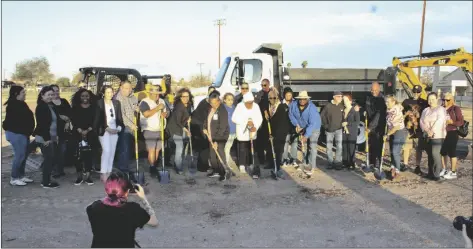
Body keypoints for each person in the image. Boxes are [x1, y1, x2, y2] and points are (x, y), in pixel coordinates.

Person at [86, 172, 158, 248]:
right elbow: (154, 222)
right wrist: (143, 198)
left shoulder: (94, 208)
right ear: (127, 193)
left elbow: (91, 205)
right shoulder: (133, 209)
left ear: (106, 191)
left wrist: (110, 195)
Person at [3, 85, 35, 186]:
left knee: (24, 155)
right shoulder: (13, 106)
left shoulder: (22, 104)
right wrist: (26, 131)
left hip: (23, 134)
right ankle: (14, 178)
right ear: (16, 94)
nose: (25, 94)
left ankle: (21, 176)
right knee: (19, 155)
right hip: (16, 134)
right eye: (23, 92)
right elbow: (14, 123)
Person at [33, 86, 63, 189]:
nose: (51, 96)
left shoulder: (50, 105)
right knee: (49, 159)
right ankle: (45, 182)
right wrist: (47, 139)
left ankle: (46, 178)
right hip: (45, 138)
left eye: (52, 94)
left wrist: (56, 136)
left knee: (52, 158)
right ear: (42, 95)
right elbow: (43, 124)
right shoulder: (42, 106)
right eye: (48, 95)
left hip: (52, 137)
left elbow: (55, 122)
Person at [95, 86, 124, 183]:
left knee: (112, 151)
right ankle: (103, 172)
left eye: (111, 92)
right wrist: (107, 128)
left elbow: (119, 118)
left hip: (115, 130)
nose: (110, 94)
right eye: (108, 92)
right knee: (106, 150)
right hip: (104, 130)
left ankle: (109, 171)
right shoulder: (99, 103)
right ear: (103, 93)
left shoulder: (116, 103)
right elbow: (97, 119)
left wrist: (118, 128)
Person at [288, 91, 322, 176]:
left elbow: (312, 123)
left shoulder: (312, 108)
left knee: (312, 147)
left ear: (307, 99)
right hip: (302, 127)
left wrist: (306, 135)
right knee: (304, 146)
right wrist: (296, 124)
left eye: (304, 99)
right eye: (300, 99)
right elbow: (291, 115)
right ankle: (304, 163)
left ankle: (311, 166)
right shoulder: (293, 105)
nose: (302, 100)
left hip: (314, 127)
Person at [139, 85, 170, 176]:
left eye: (158, 94)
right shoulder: (144, 102)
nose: (157, 96)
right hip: (149, 129)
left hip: (160, 129)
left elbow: (167, 112)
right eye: (155, 94)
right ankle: (152, 167)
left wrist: (166, 114)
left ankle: (154, 166)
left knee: (157, 150)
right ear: (150, 93)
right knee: (152, 150)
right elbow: (146, 114)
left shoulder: (162, 101)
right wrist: (157, 108)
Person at [232, 92, 263, 178]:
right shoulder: (239, 106)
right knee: (242, 149)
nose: (250, 104)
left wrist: (255, 125)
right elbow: (234, 118)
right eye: (248, 103)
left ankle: (253, 166)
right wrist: (246, 122)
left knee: (253, 149)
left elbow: (259, 118)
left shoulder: (256, 106)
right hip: (242, 131)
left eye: (251, 102)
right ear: (244, 102)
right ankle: (242, 164)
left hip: (252, 131)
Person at [70, 88, 98, 185]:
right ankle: (79, 176)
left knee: (88, 155)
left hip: (90, 134)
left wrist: (88, 130)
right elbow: (73, 120)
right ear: (79, 97)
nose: (85, 98)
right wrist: (80, 130)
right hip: (77, 133)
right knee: (77, 155)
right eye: (82, 96)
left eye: (86, 96)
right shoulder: (75, 108)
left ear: (90, 97)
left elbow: (95, 121)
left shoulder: (94, 108)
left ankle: (88, 176)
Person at [203, 91, 230, 181]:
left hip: (220, 137)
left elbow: (223, 127)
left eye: (215, 102)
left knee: (220, 154)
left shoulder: (222, 111)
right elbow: (207, 120)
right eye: (211, 103)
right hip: (211, 136)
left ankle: (224, 172)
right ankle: (216, 171)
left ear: (219, 101)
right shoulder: (210, 109)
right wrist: (204, 128)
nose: (213, 104)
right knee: (212, 155)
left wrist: (217, 141)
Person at [420, 92, 447, 181]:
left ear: (437, 99)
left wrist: (432, 131)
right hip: (427, 135)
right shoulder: (425, 110)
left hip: (438, 135)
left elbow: (440, 120)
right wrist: (427, 130)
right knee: (429, 155)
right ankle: (430, 173)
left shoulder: (441, 109)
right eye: (429, 99)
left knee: (435, 154)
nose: (431, 101)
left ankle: (437, 174)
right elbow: (422, 121)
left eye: (433, 99)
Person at [115, 81, 139, 182]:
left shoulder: (133, 97)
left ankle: (125, 167)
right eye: (125, 88)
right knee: (124, 148)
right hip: (124, 127)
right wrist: (131, 125)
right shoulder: (118, 98)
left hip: (133, 127)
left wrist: (137, 109)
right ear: (121, 88)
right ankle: (122, 170)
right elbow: (122, 115)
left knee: (128, 148)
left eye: (129, 88)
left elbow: (134, 107)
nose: (128, 90)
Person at [401, 85, 428, 174]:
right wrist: (406, 116)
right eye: (414, 92)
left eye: (418, 92)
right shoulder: (406, 101)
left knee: (418, 148)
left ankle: (417, 166)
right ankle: (405, 164)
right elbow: (401, 113)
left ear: (421, 92)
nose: (416, 93)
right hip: (408, 127)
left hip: (419, 128)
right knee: (406, 147)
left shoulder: (424, 102)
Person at [166, 88, 193, 175]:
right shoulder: (179, 107)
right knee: (180, 147)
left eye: (187, 96)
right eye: (184, 96)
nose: (186, 98)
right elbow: (178, 121)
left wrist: (188, 118)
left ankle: (174, 161)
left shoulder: (188, 105)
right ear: (180, 97)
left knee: (180, 145)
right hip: (175, 128)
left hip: (180, 128)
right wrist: (186, 130)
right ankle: (178, 167)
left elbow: (186, 117)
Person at [265, 88, 290, 177]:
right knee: (270, 148)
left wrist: (275, 135)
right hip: (272, 131)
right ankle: (271, 164)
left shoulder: (281, 107)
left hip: (280, 133)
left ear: (277, 98)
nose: (272, 100)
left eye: (274, 98)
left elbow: (282, 123)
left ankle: (278, 167)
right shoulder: (269, 106)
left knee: (278, 150)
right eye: (270, 98)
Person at [190, 86, 215, 172]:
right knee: (204, 147)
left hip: (202, 125)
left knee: (205, 147)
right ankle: (202, 167)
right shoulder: (205, 103)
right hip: (199, 126)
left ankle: (204, 165)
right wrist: (205, 128)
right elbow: (204, 117)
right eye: (211, 92)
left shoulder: (211, 103)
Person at [440, 92, 464, 180]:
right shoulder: (441, 108)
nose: (445, 101)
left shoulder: (455, 108)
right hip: (442, 132)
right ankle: (444, 169)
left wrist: (452, 122)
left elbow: (461, 122)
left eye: (447, 100)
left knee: (451, 152)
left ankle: (453, 172)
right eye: (443, 99)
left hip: (452, 132)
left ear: (452, 100)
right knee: (443, 152)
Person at [50, 84, 72, 178]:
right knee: (53, 151)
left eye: (57, 90)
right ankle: (54, 170)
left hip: (64, 131)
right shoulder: (49, 103)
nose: (56, 92)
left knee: (62, 150)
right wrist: (60, 117)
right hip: (54, 131)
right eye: (53, 91)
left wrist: (68, 121)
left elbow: (71, 113)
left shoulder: (64, 101)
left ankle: (60, 170)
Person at [385, 95, 407, 179]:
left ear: (393, 102)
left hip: (399, 132)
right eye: (386, 102)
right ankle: (393, 168)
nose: (386, 103)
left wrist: (387, 134)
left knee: (395, 152)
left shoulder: (396, 110)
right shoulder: (389, 110)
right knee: (392, 151)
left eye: (388, 102)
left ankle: (397, 171)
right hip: (392, 132)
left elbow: (396, 127)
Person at [365, 82, 387, 168]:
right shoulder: (368, 97)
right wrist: (358, 106)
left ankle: (378, 163)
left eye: (375, 90)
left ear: (379, 89)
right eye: (372, 90)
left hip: (379, 125)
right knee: (371, 143)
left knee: (378, 143)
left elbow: (378, 115)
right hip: (371, 123)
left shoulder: (381, 99)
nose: (373, 91)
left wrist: (370, 127)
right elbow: (364, 105)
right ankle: (371, 162)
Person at [321, 91, 344, 170]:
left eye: (341, 96)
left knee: (339, 146)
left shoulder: (341, 106)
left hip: (339, 130)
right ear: (334, 97)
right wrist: (326, 126)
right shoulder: (328, 106)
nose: (340, 98)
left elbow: (345, 116)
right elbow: (322, 116)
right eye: (339, 96)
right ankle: (330, 162)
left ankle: (337, 162)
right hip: (329, 130)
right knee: (329, 147)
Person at [254, 79, 271, 169]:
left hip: (270, 121)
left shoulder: (273, 93)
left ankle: (269, 159)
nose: (263, 87)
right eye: (262, 85)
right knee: (260, 141)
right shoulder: (259, 94)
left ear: (268, 84)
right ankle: (261, 160)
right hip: (261, 121)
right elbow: (255, 105)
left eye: (265, 85)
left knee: (269, 141)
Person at [341, 93, 360, 170]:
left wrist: (348, 123)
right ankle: (345, 163)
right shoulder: (343, 110)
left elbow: (357, 122)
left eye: (346, 100)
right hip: (344, 131)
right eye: (343, 100)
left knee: (351, 147)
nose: (344, 101)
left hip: (352, 131)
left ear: (350, 101)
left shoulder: (354, 110)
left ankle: (352, 163)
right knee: (345, 147)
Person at [281, 87, 296, 167]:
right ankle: (284, 159)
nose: (288, 97)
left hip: (294, 127)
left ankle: (293, 159)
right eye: (287, 95)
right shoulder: (281, 104)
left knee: (294, 143)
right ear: (284, 95)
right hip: (284, 127)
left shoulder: (295, 103)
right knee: (285, 144)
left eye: (290, 95)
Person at [223, 92, 236, 166]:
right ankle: (226, 163)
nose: (230, 101)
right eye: (228, 100)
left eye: (232, 99)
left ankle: (226, 162)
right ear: (224, 100)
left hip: (233, 132)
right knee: (226, 148)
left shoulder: (233, 107)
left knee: (228, 147)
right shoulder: (223, 108)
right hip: (226, 132)